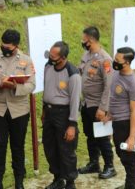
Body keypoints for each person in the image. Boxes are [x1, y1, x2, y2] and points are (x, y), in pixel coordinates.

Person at [0, 29, 36, 189]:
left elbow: (31, 85)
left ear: (16, 46)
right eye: (3, 46)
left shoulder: (26, 61)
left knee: (18, 146)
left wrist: (14, 87)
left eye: (8, 47)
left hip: (19, 111)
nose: (5, 49)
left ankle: (19, 181)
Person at [78, 26, 116, 179]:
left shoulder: (105, 59)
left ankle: (110, 166)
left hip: (98, 105)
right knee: (90, 135)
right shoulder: (87, 55)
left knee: (102, 136)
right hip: (87, 103)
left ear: (91, 40)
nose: (83, 42)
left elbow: (109, 86)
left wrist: (103, 108)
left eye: (84, 40)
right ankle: (94, 163)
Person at [42, 41, 81, 189]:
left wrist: (72, 125)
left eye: (53, 56)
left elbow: (75, 100)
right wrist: (45, 111)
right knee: (50, 147)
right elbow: (47, 89)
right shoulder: (48, 67)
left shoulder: (73, 73)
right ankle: (58, 178)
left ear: (63, 57)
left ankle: (70, 182)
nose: (50, 58)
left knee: (66, 150)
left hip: (64, 114)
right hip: (49, 113)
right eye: (50, 55)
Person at [107, 47, 135, 189]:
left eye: (117, 61)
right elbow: (114, 97)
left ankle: (132, 185)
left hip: (125, 123)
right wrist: (109, 113)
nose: (114, 62)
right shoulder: (116, 73)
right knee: (122, 154)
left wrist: (132, 136)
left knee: (129, 158)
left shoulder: (133, 82)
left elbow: (134, 111)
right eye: (115, 59)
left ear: (127, 63)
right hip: (115, 121)